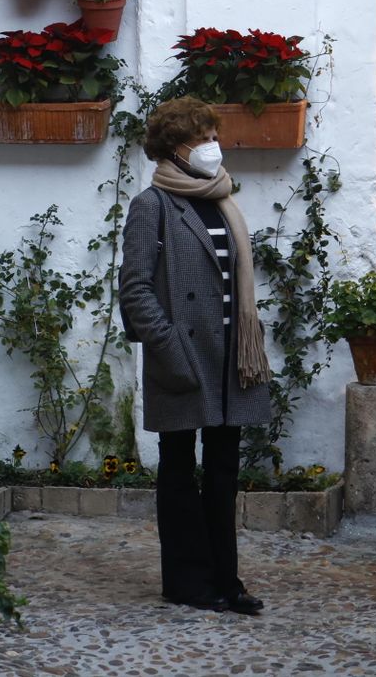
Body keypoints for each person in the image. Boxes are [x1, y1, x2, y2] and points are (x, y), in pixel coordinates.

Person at [119, 97, 271, 614]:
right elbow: (135, 288)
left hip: (232, 356)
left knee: (224, 470)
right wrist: (168, 346)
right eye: (201, 139)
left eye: (213, 135)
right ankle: (187, 582)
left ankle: (227, 579)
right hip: (183, 353)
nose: (212, 146)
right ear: (175, 148)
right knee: (179, 468)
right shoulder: (152, 205)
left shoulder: (222, 196)